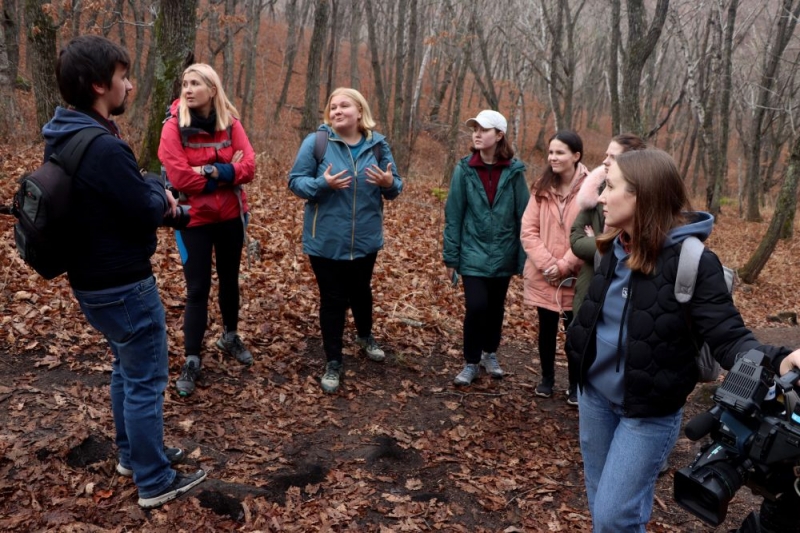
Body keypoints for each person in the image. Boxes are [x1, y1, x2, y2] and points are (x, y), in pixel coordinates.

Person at [565, 148, 800, 532]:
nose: (602, 197)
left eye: (610, 186)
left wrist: (781, 359)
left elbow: (728, 337)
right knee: (605, 510)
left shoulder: (693, 261)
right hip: (594, 399)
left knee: (611, 517)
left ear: (642, 194)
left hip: (646, 413)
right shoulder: (612, 245)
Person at [42, 35, 206, 508]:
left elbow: (125, 191)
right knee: (146, 379)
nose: (130, 86)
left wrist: (149, 187)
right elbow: (141, 206)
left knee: (125, 369)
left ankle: (132, 455)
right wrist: (161, 196)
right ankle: (154, 480)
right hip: (123, 286)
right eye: (122, 77)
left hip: (92, 281)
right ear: (99, 84)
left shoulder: (64, 131)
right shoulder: (103, 147)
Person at [288, 87, 403, 394]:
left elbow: (395, 187)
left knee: (361, 292)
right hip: (325, 240)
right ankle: (334, 361)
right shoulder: (317, 142)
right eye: (333, 106)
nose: (337, 111)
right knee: (333, 299)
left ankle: (365, 336)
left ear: (359, 112)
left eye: (344, 106)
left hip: (365, 239)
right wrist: (321, 185)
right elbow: (295, 182)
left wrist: (389, 183)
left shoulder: (377, 145)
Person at [158, 63, 256, 398]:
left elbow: (250, 167)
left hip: (230, 217)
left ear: (212, 90)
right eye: (185, 82)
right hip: (192, 220)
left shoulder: (231, 122)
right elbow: (181, 178)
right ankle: (192, 358)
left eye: (195, 83)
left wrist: (210, 169)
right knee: (197, 289)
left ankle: (230, 336)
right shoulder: (173, 126)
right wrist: (228, 171)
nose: (187, 89)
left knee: (230, 280)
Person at [443, 110, 529, 386]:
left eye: (484, 129)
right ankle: (470, 362)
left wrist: (523, 258)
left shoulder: (514, 172)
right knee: (477, 306)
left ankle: (490, 353)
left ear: (499, 135)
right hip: (472, 252)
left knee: (495, 308)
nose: (477, 134)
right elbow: (454, 214)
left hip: (503, 252)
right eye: (474, 129)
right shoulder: (464, 169)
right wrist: (451, 258)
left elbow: (524, 217)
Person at [520, 131, 588, 406]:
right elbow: (529, 229)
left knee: (575, 332)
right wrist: (549, 265)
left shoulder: (593, 189)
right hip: (544, 273)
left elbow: (592, 234)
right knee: (546, 330)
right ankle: (547, 379)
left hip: (577, 275)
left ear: (576, 156)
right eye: (550, 152)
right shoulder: (541, 186)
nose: (552, 157)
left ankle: (575, 384)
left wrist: (564, 265)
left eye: (559, 152)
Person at [570, 133, 646, 316]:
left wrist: (597, 241)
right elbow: (575, 239)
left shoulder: (641, 202)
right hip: (589, 283)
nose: (605, 161)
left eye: (613, 157)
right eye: (606, 155)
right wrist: (603, 244)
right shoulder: (593, 188)